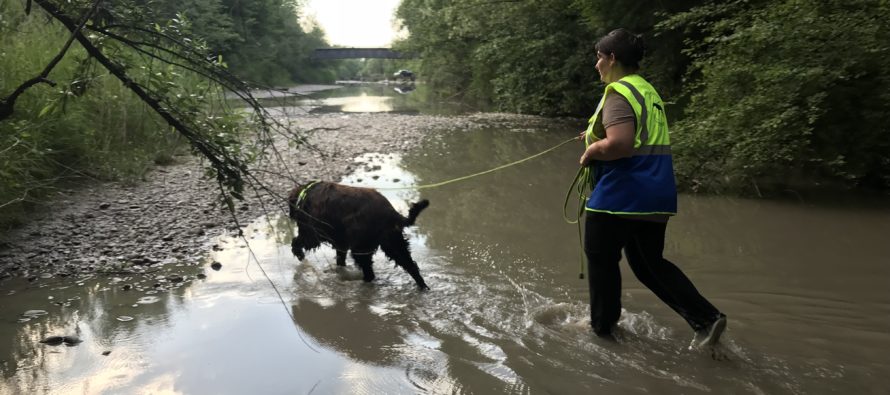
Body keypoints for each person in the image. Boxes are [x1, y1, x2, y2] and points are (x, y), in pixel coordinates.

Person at [578, 28, 726, 349]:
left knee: (601, 258)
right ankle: (706, 318)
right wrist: (594, 138)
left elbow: (620, 144)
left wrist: (591, 151)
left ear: (613, 59)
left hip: (620, 195)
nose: (597, 65)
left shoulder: (619, 91)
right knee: (649, 265)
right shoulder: (647, 91)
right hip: (655, 195)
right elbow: (633, 136)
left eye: (599, 58)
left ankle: (602, 331)